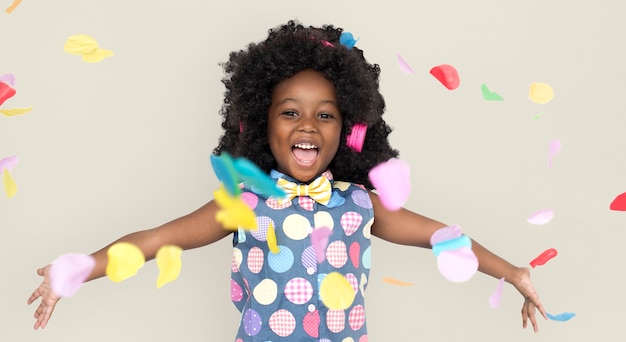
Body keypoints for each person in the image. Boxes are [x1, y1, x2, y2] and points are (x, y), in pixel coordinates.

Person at [27, 20, 547, 340]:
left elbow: (444, 238)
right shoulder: (244, 202)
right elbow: (154, 241)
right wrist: (76, 270)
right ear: (260, 121)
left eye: (325, 115)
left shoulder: (360, 204)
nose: (306, 125)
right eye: (290, 112)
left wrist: (515, 273)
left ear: (347, 128)